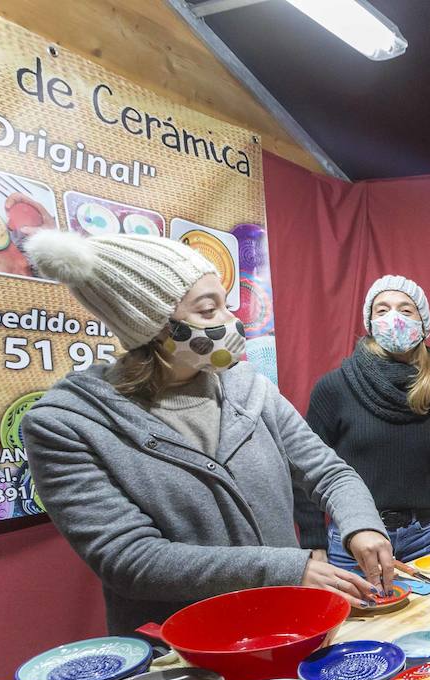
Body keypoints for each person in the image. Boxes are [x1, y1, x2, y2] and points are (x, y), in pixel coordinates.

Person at [20, 230, 394, 636]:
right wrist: (288, 568)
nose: (230, 321)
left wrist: (362, 525)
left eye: (225, 304)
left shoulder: (249, 387)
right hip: (186, 649)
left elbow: (329, 473)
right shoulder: (67, 424)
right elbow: (132, 559)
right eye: (207, 310)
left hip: (285, 624)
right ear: (153, 326)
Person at [294, 276, 430, 570]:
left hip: (425, 540)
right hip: (354, 540)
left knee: (428, 617)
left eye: (406, 310)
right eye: (382, 310)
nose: (393, 317)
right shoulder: (335, 388)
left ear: (423, 323)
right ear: (369, 322)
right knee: (360, 617)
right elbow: (308, 470)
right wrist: (314, 544)